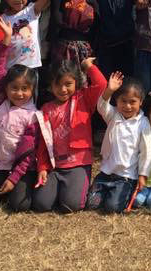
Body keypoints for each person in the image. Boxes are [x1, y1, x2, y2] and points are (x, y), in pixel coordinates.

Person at [33, 58, 107, 213]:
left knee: (71, 206)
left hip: (78, 164)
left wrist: (89, 67)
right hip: (55, 167)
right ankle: (60, 189)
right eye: (58, 84)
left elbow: (101, 85)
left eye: (68, 84)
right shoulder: (46, 109)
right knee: (41, 204)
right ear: (50, 86)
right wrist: (42, 167)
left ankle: (81, 186)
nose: (63, 89)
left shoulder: (83, 99)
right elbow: (43, 143)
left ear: (76, 83)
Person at [0, 54, 40, 212]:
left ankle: (17, 188)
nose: (19, 93)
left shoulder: (33, 116)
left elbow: (29, 154)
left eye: (25, 89)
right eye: (14, 88)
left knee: (19, 205)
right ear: (6, 87)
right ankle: (4, 188)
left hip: (23, 170)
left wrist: (13, 179)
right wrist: (4, 44)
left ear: (32, 90)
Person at [87, 73, 151, 214]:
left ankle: (118, 194)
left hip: (126, 177)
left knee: (112, 208)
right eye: (123, 101)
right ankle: (105, 191)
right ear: (116, 101)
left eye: (132, 102)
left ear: (141, 101)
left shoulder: (143, 123)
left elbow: (147, 151)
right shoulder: (113, 116)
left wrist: (143, 174)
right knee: (92, 204)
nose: (127, 106)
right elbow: (101, 106)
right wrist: (109, 90)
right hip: (106, 172)